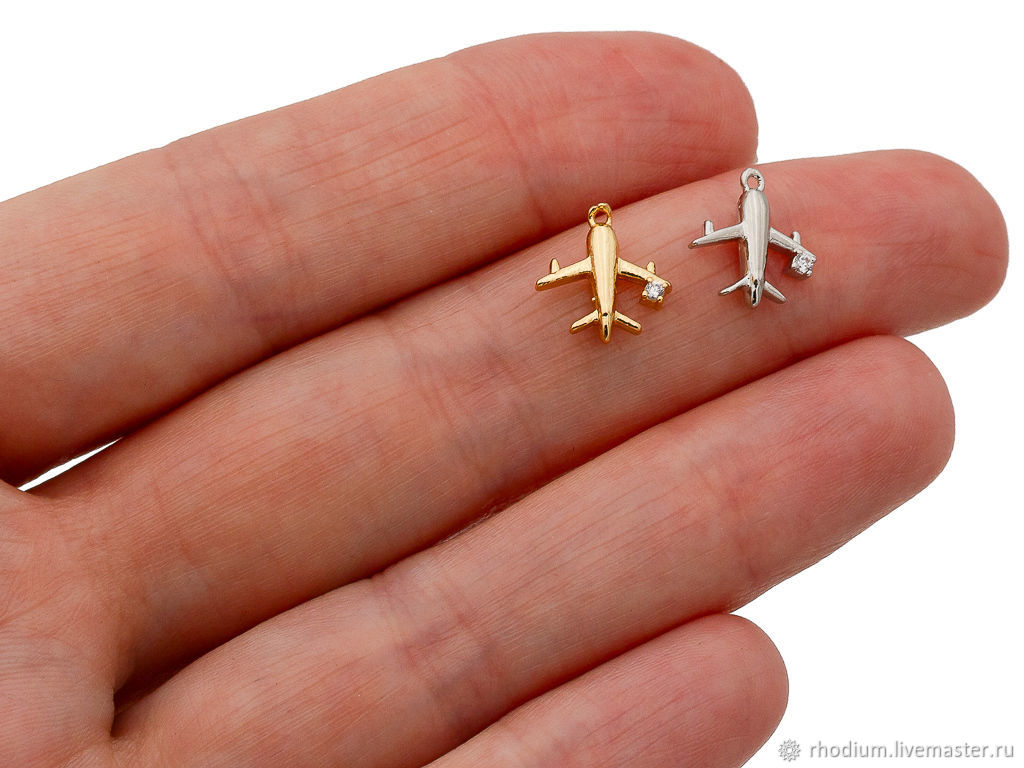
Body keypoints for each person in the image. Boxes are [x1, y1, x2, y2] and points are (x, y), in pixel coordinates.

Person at [0, 31, 1007, 767]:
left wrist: (649, 273)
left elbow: (639, 263)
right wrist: (626, 275)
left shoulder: (665, 240)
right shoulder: (626, 246)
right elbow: (599, 270)